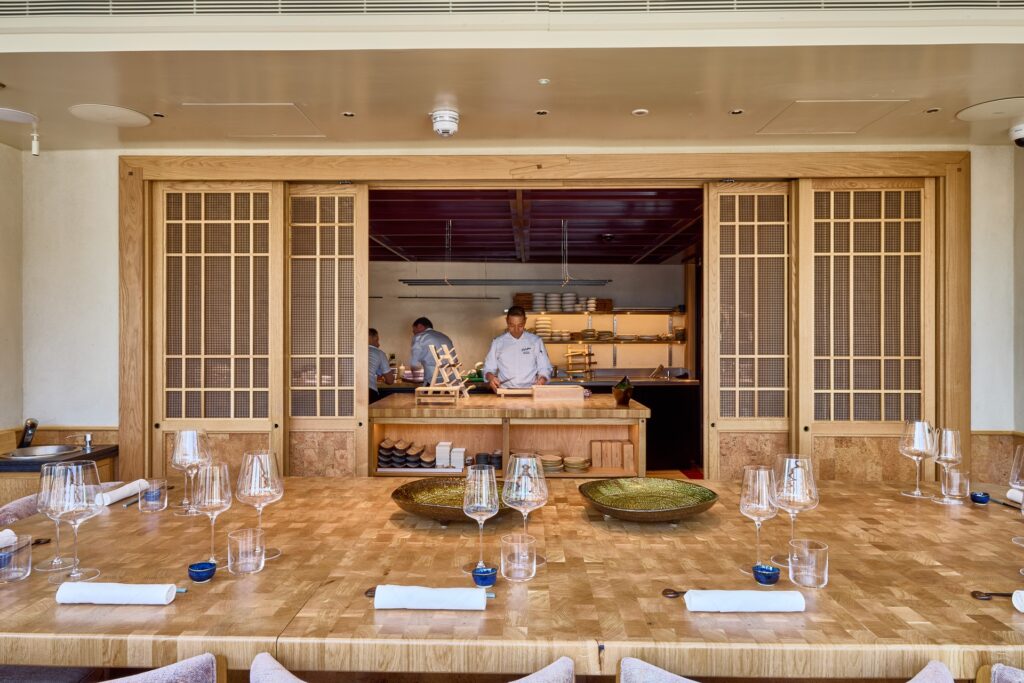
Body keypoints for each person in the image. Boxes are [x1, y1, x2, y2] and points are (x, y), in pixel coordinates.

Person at [483, 306, 553, 390]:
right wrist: (491, 378)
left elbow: (545, 367)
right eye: (512, 325)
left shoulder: (535, 341)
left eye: (520, 325)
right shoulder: (498, 342)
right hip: (505, 392)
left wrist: (542, 379)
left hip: (530, 391)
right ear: (506, 321)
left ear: (525, 321)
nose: (516, 330)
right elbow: (488, 369)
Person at [409, 317, 455, 385]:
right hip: (453, 381)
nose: (414, 333)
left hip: (433, 382)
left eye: (414, 331)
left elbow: (414, 364)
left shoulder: (419, 337)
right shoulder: (445, 337)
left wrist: (413, 376)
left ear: (419, 326)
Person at [368, 328, 394, 404]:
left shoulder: (351, 352)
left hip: (347, 391)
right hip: (369, 390)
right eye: (377, 340)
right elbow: (390, 380)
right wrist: (384, 379)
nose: (378, 344)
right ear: (373, 337)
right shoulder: (379, 353)